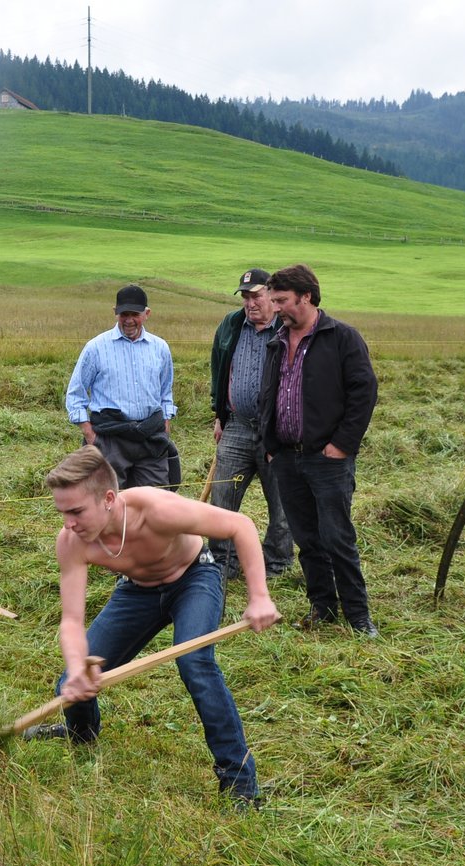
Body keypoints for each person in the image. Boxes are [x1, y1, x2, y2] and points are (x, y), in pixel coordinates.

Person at [26, 445, 281, 805]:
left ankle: (240, 781)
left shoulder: (156, 509)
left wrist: (259, 596)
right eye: (62, 512)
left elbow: (240, 526)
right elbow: (71, 620)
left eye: (77, 511)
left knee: (195, 662)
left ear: (109, 499)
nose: (68, 523)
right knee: (70, 682)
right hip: (137, 592)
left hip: (193, 577)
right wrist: (78, 666)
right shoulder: (71, 541)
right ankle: (81, 734)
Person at [259, 264, 379, 637]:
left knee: (337, 537)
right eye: (274, 301)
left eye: (282, 301)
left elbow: (364, 392)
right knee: (306, 539)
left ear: (306, 296)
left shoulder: (342, 337)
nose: (276, 308)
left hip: (327, 459)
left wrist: (341, 445)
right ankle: (322, 608)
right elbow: (270, 394)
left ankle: (359, 617)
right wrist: (271, 445)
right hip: (286, 458)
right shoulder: (277, 341)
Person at [209, 268, 293, 579]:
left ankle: (276, 563)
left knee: (282, 501)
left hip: (278, 432)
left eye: (255, 295)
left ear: (272, 295)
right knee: (222, 498)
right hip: (238, 425)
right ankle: (222, 562)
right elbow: (218, 367)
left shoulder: (286, 328)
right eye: (245, 296)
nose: (250, 303)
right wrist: (220, 413)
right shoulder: (231, 325)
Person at [65, 284, 180, 490]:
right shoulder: (96, 348)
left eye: (134, 314)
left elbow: (166, 391)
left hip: (150, 439)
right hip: (110, 440)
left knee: (155, 504)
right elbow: (76, 394)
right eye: (123, 314)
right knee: (108, 503)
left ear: (147, 314)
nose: (128, 320)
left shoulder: (160, 348)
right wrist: (90, 435)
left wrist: (166, 421)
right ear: (114, 313)